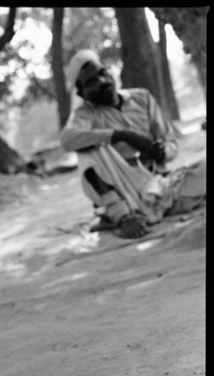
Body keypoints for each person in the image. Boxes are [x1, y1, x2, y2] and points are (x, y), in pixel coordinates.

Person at [60, 49, 206, 239]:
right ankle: (121, 215)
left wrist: (163, 151)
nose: (102, 82)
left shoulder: (141, 98)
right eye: (91, 82)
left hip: (160, 185)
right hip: (126, 197)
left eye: (102, 73)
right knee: (88, 147)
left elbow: (170, 141)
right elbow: (67, 139)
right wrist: (122, 135)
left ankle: (166, 205)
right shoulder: (85, 115)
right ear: (82, 93)